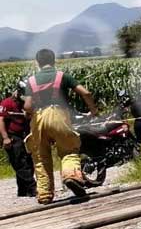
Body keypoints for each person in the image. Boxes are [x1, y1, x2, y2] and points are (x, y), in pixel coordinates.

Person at [23, 48, 99, 204]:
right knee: (68, 151)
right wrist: (93, 111)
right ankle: (71, 177)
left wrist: (28, 113)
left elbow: (28, 106)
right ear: (53, 60)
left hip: (38, 119)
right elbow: (86, 93)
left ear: (37, 62)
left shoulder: (31, 81)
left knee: (41, 158)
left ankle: (44, 194)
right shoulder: (62, 76)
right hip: (59, 116)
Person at [1, 80, 36, 197]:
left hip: (26, 135)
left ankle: (23, 191)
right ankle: (33, 187)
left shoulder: (27, 103)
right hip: (13, 136)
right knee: (20, 163)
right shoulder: (7, 103)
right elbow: (0, 120)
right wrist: (5, 138)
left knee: (29, 162)